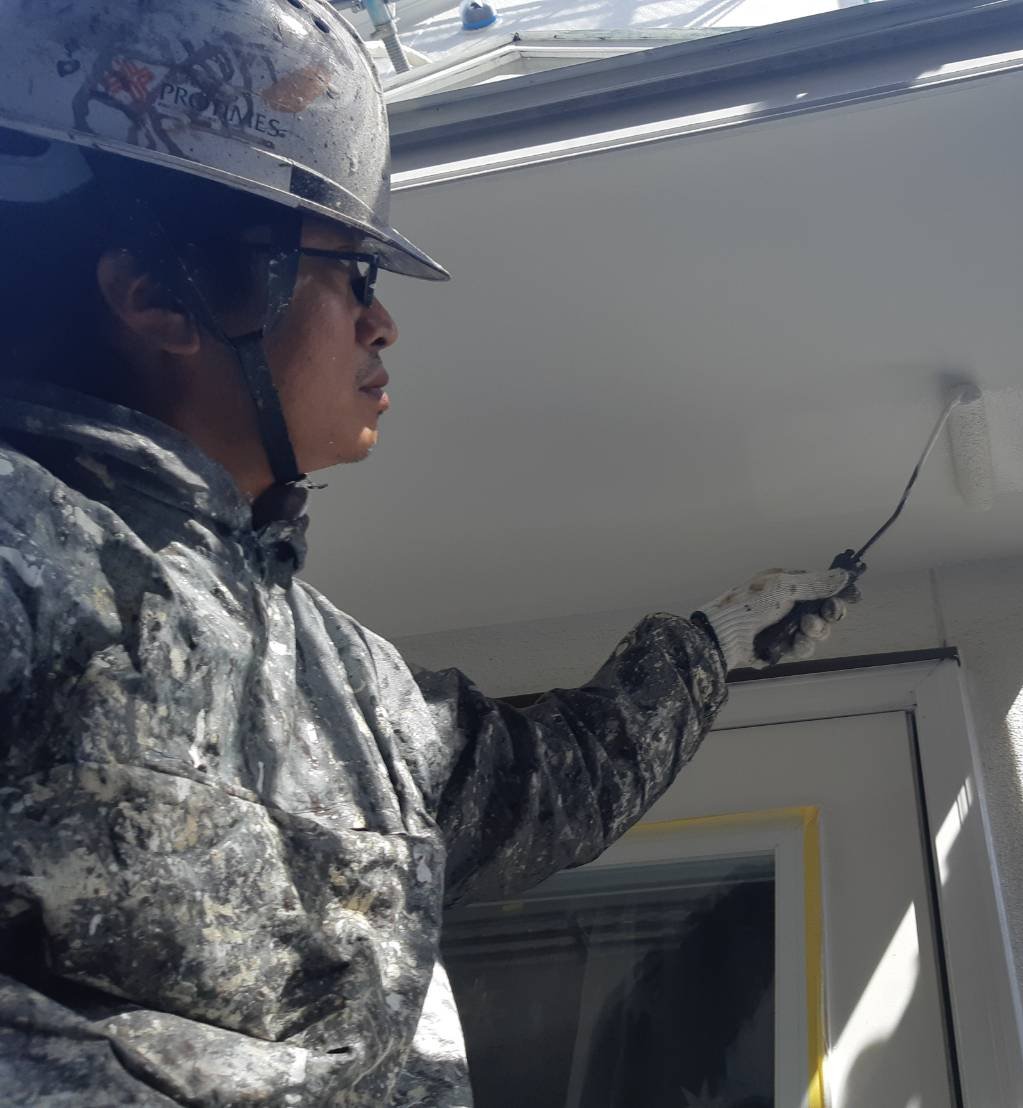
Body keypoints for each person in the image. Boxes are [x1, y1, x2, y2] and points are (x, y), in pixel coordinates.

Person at [0, 2, 859, 1103]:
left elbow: (544, 787)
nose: (383, 323)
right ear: (162, 294)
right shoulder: (25, 541)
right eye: (350, 273)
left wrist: (713, 645)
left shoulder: (350, 681)